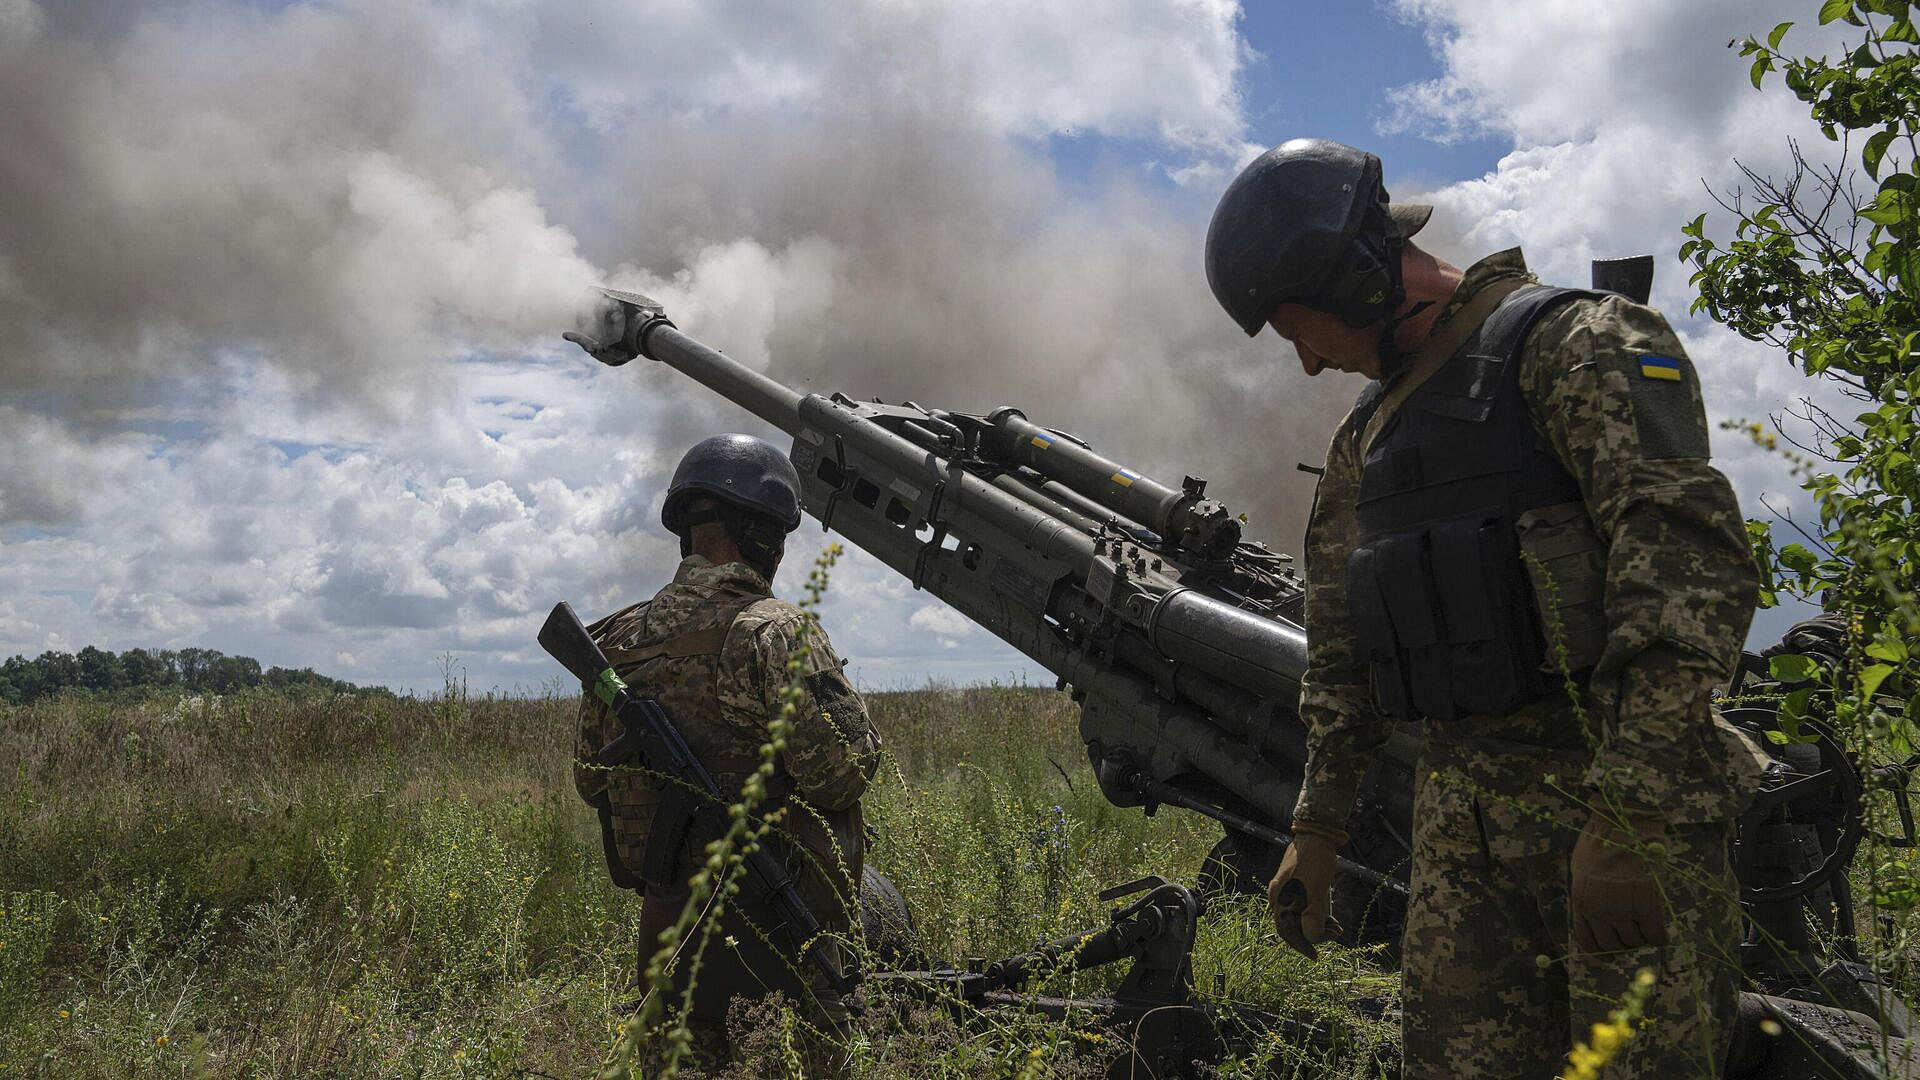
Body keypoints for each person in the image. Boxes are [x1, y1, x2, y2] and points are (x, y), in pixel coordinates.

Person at [1205, 139, 1765, 1077]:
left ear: (1360, 279)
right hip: (1462, 832)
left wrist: (1634, 815)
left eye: (1305, 332)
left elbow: (1683, 570)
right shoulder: (1367, 440)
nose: (1306, 366)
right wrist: (1318, 828)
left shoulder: (1578, 346)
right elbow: (1341, 648)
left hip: (1617, 816)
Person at [572, 433, 882, 1058]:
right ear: (764, 535)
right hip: (782, 937)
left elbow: (590, 781)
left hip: (668, 944)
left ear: (687, 532)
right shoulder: (774, 633)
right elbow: (842, 777)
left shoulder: (614, 642)